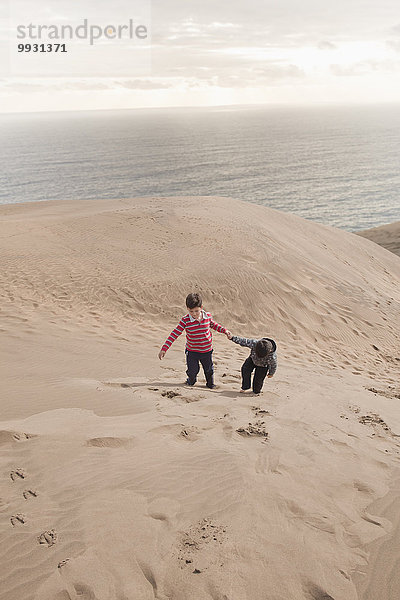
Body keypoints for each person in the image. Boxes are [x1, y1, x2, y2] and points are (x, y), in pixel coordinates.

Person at [158, 293, 231, 389]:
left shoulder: (207, 316)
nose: (194, 314)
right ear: (187, 308)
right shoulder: (185, 320)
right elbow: (174, 334)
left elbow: (214, 325)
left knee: (209, 370)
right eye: (191, 311)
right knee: (192, 372)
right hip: (192, 351)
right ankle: (191, 380)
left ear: (201, 307)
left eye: (196, 311)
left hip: (207, 351)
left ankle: (210, 384)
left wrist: (225, 331)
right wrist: (164, 348)